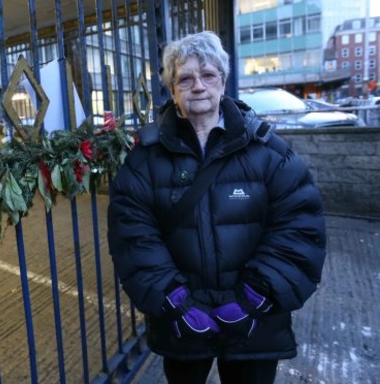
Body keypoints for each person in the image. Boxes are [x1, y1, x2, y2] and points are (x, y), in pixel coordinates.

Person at [107, 31, 326, 384]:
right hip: (182, 323)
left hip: (256, 324)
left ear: (223, 82)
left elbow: (300, 226)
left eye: (208, 75)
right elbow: (133, 235)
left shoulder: (268, 152)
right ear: (172, 89)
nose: (198, 86)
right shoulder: (144, 160)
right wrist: (176, 302)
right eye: (185, 78)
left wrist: (255, 296)